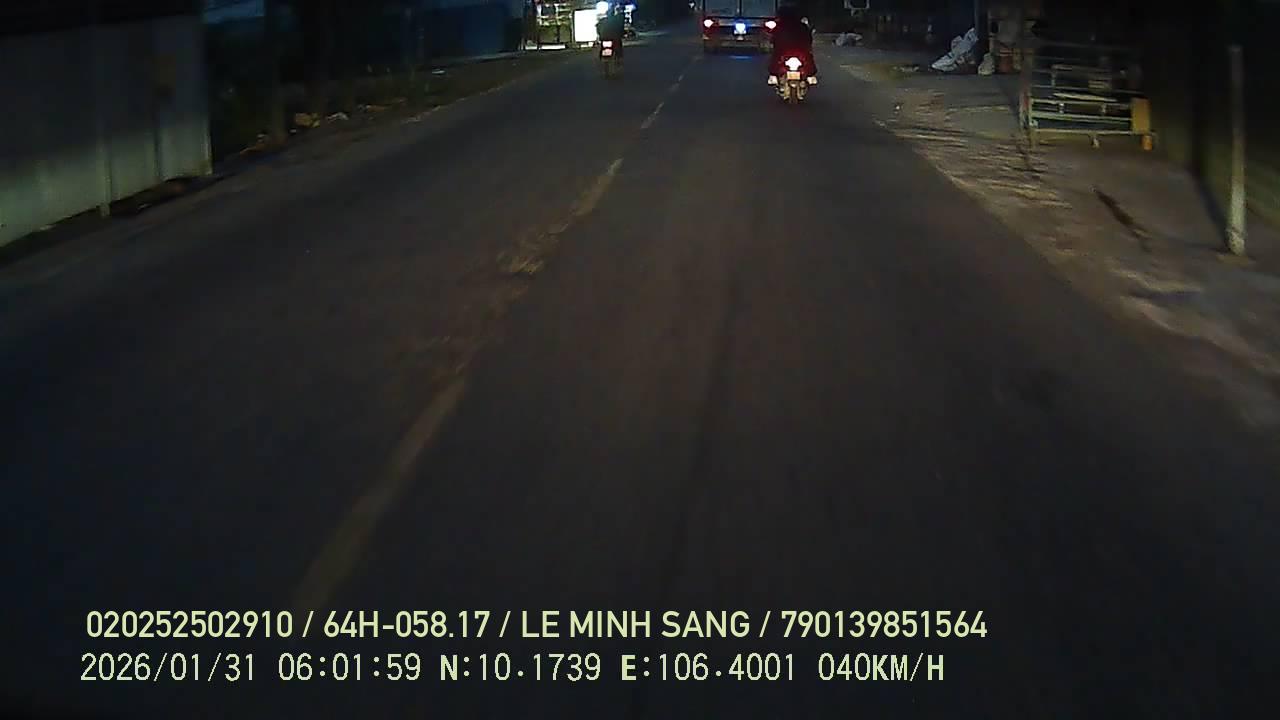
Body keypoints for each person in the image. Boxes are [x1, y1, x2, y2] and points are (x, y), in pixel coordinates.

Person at [768, 3, 816, 80]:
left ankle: (773, 76)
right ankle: (811, 76)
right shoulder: (802, 26)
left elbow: (773, 38)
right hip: (799, 51)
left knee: (776, 58)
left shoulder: (779, 26)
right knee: (808, 58)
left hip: (785, 51)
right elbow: (809, 39)